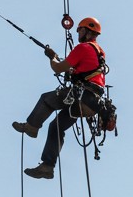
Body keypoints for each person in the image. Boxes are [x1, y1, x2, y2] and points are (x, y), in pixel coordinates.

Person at [13, 17, 108, 180]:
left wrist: (52, 58)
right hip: (91, 103)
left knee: (46, 99)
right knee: (56, 127)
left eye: (80, 30)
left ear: (87, 31)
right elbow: (80, 71)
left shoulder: (83, 48)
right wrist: (64, 64)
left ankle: (31, 127)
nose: (78, 33)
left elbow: (58, 68)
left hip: (82, 96)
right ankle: (47, 167)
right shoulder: (98, 51)